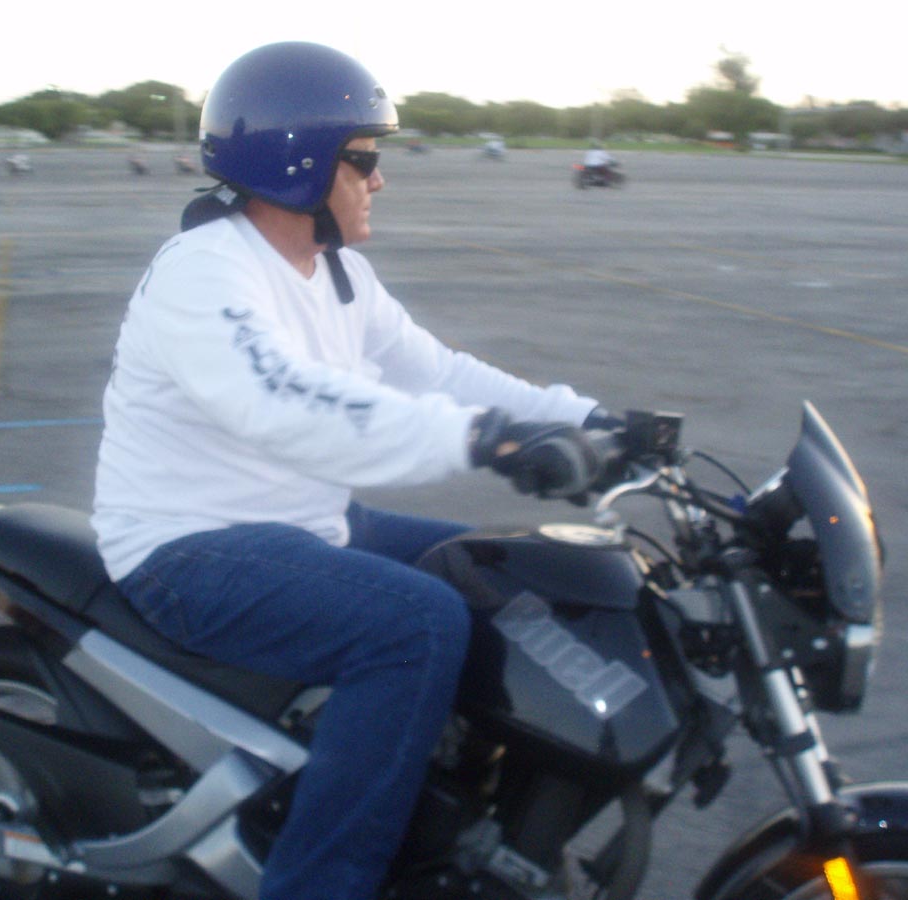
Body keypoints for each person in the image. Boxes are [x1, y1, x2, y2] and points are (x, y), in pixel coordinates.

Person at [92, 41, 612, 900]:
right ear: (295, 163)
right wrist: (488, 443)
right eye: (364, 160)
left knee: (503, 572)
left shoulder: (339, 274)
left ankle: (461, 822)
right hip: (185, 544)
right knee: (416, 625)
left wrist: (590, 420)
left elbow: (440, 372)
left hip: (302, 520)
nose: (381, 180)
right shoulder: (205, 272)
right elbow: (285, 403)